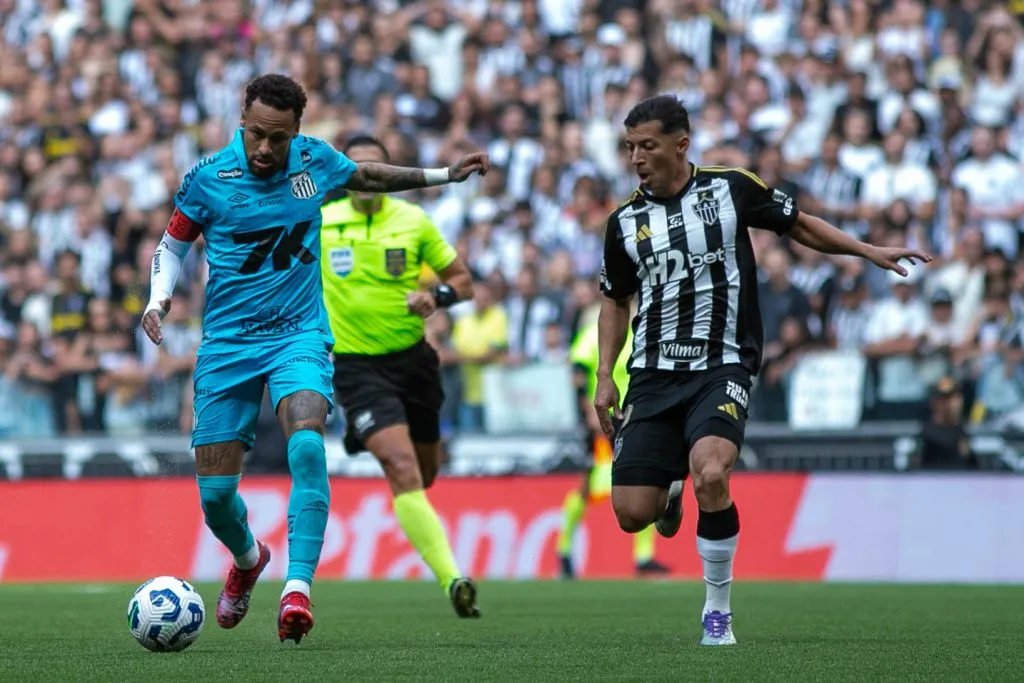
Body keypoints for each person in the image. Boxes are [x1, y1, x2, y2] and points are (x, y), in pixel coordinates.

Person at [140, 74, 489, 644]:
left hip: (298, 335)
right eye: (256, 134)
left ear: (297, 131)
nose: (264, 149)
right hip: (227, 345)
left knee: (306, 442)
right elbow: (173, 243)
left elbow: (370, 174)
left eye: (278, 138)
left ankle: (296, 590)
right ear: (242, 122)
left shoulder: (314, 162)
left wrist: (443, 175)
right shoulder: (207, 178)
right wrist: (158, 299)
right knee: (217, 499)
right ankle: (249, 559)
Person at [594, 94, 929, 646]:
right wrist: (607, 375)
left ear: (681, 144)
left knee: (713, 472)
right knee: (633, 515)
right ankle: (669, 484)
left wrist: (865, 250)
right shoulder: (624, 223)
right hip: (651, 374)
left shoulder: (730, 189)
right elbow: (613, 299)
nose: (636, 157)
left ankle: (716, 611)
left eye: (647, 145)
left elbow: (799, 225)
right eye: (630, 147)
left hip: (722, 363)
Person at [320, 134, 480, 618]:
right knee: (403, 470)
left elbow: (465, 283)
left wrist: (438, 298)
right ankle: (454, 579)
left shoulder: (413, 221)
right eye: (357, 169)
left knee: (425, 474)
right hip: (355, 368)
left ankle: (359, 433)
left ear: (390, 179)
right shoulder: (321, 223)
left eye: (376, 170)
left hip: (413, 362)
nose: (367, 179)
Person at [557, 307, 673, 578]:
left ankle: (644, 559)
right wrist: (589, 412)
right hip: (599, 419)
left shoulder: (639, 334)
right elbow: (577, 373)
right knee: (588, 489)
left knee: (642, 479)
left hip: (629, 418)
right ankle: (563, 551)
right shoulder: (592, 334)